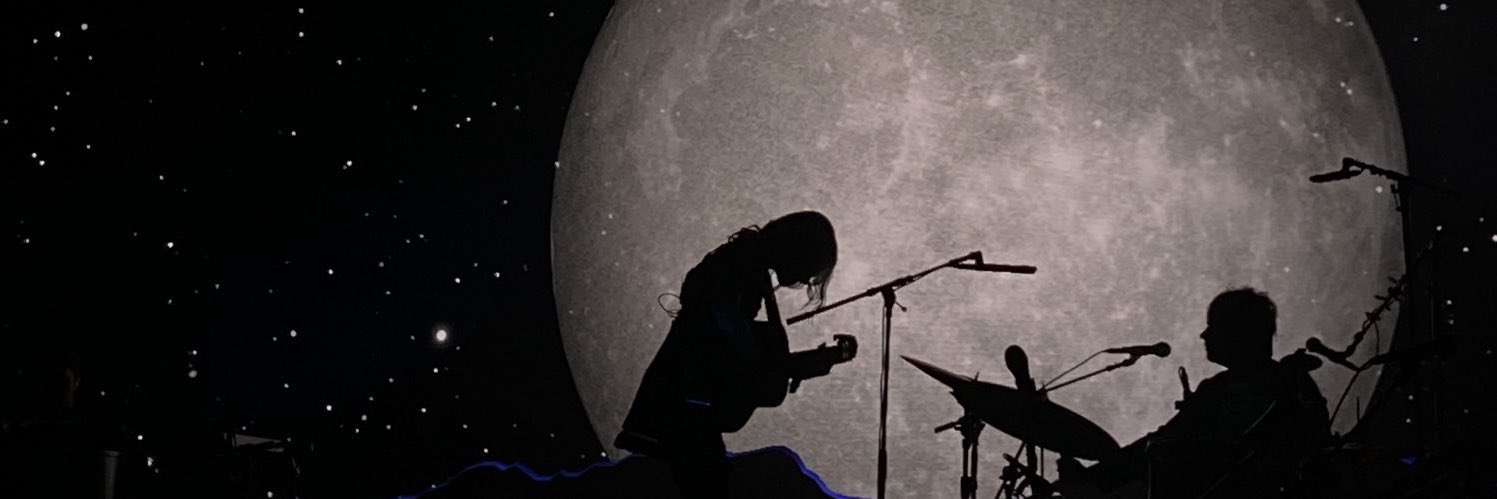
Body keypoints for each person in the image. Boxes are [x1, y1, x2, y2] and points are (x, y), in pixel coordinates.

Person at [614, 211, 838, 496]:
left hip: (684, 399)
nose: (805, 280)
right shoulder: (744, 262)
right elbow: (725, 325)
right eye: (808, 269)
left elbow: (728, 342)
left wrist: (782, 366)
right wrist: (772, 365)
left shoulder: (747, 260)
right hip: (684, 401)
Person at [1063, 287, 1332, 498]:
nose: (1204, 335)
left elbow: (1164, 444)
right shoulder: (1291, 382)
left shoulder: (1225, 391)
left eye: (1213, 327)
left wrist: (1094, 479)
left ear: (1236, 333)